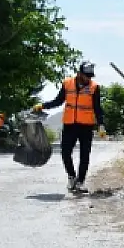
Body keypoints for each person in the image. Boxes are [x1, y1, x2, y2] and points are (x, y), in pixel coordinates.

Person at [35, 62, 105, 194]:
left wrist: (101, 125)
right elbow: (58, 101)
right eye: (86, 76)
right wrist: (43, 106)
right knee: (65, 153)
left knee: (85, 155)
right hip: (70, 125)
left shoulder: (94, 87)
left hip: (86, 126)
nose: (89, 79)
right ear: (79, 73)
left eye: (90, 76)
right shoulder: (67, 84)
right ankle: (72, 177)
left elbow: (97, 108)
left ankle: (80, 182)